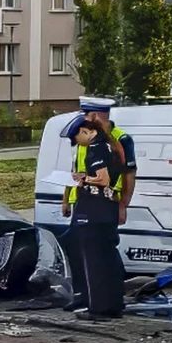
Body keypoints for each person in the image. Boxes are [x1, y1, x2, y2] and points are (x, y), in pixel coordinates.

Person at [60, 96, 135, 309]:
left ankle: (105, 299)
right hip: (83, 203)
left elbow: (130, 175)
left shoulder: (120, 139)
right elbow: (74, 170)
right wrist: (66, 199)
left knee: (102, 252)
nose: (83, 118)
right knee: (76, 247)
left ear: (94, 116)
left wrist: (123, 205)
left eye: (85, 114)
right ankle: (84, 294)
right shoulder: (86, 141)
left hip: (104, 203)